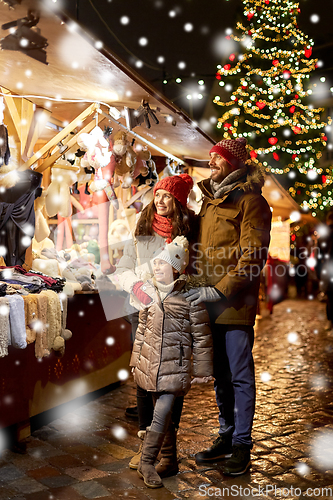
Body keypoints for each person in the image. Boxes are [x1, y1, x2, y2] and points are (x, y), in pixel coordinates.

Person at [184, 137, 272, 476]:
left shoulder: (252, 202)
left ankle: (242, 444)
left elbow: (252, 258)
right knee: (219, 375)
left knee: (239, 375)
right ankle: (225, 435)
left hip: (235, 306)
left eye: (217, 158)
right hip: (208, 303)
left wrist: (217, 291)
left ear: (234, 163)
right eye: (210, 158)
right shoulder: (209, 201)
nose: (211, 163)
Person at [116, 173, 197, 470]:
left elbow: (190, 271)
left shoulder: (187, 232)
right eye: (158, 194)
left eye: (168, 196)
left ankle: (166, 452)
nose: (161, 201)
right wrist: (135, 286)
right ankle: (146, 446)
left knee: (170, 381)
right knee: (142, 377)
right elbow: (123, 266)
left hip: (173, 313)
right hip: (140, 310)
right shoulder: (141, 225)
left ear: (178, 202)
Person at [130, 236, 213, 488]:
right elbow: (142, 331)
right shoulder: (149, 294)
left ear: (176, 268)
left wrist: (201, 370)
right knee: (162, 417)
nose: (156, 268)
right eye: (155, 264)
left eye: (162, 264)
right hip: (150, 367)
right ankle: (169, 459)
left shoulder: (189, 299)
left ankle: (146, 461)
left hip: (174, 368)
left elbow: (202, 336)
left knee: (163, 411)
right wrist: (136, 360)